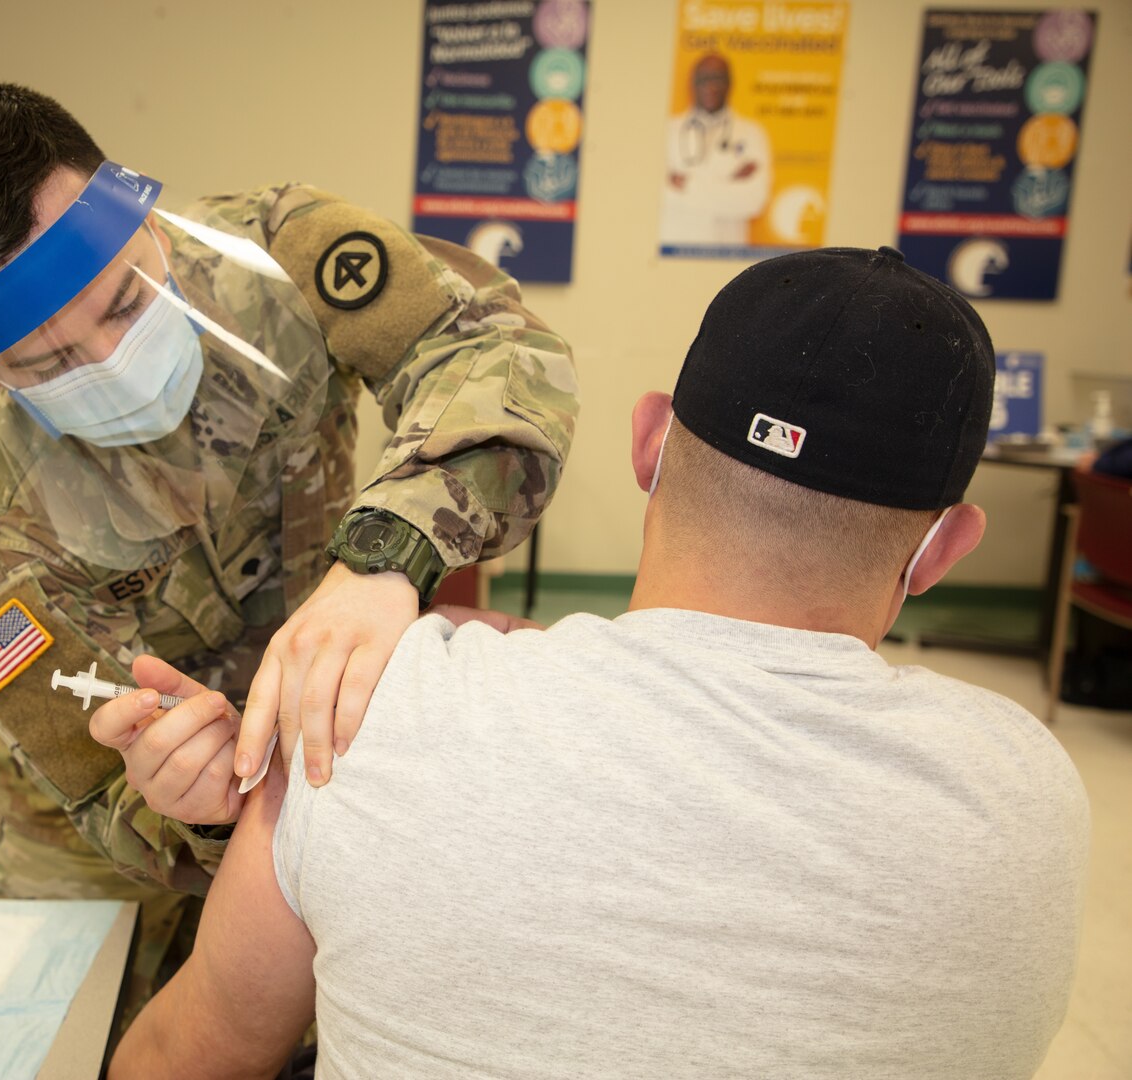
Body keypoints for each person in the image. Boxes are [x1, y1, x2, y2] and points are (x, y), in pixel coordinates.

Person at [113, 246, 1090, 1079]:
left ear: (650, 441)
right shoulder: (1026, 792)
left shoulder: (376, 713)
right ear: (946, 546)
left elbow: (179, 1062)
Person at [0, 78, 577, 1006]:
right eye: (43, 361)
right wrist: (180, 807)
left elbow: (495, 353)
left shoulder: (279, 260)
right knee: (75, 1041)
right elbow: (95, 787)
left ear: (139, 216)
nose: (107, 363)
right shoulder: (1, 525)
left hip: (312, 746)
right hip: (96, 854)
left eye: (122, 303)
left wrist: (386, 556)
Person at [661, 52, 772, 249]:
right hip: (674, 251)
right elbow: (663, 195)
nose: (710, 86)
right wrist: (728, 183)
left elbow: (754, 201)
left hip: (727, 254)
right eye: (704, 78)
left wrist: (686, 183)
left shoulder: (752, 133)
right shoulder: (668, 131)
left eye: (717, 78)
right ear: (692, 83)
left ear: (730, 83)